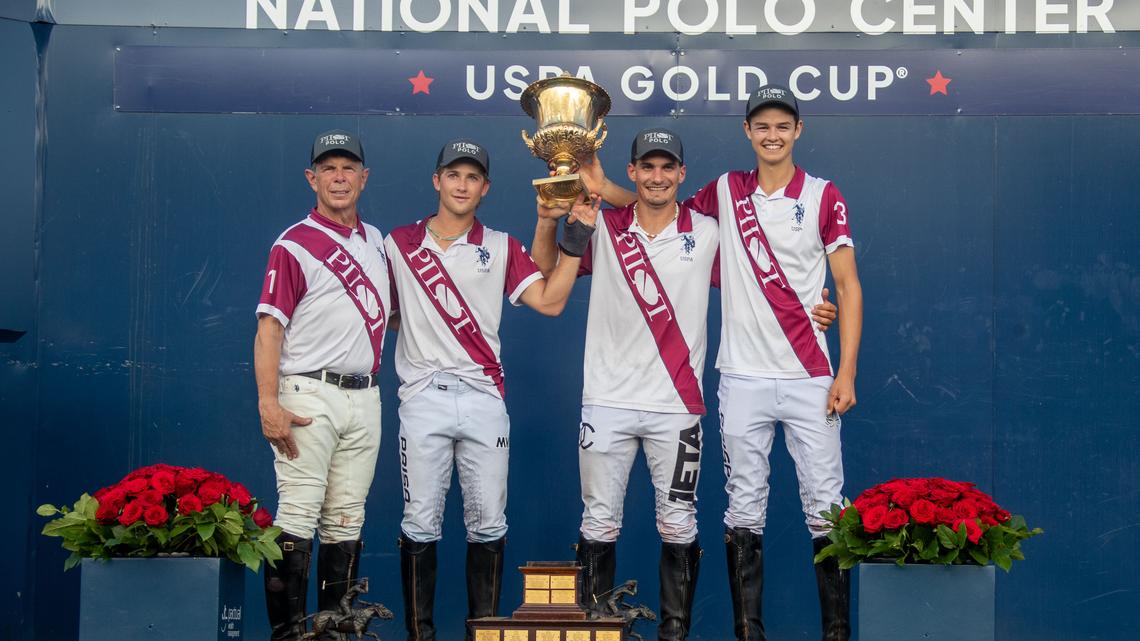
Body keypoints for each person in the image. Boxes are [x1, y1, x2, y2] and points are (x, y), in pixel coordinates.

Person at [581, 85, 862, 641]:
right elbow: (655, 206)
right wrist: (599, 184)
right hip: (742, 377)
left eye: (783, 125)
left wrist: (846, 370)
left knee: (826, 508)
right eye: (762, 125)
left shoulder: (826, 195)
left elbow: (848, 286)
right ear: (747, 132)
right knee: (743, 511)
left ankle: (836, 634)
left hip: (812, 374)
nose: (773, 134)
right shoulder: (726, 193)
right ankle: (747, 633)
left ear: (798, 131)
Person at [384, 139, 595, 641]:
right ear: (437, 181)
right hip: (423, 397)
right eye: (453, 175)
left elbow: (549, 301)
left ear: (485, 187)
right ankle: (422, 636)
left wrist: (576, 240)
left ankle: (481, 635)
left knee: (487, 523)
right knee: (418, 522)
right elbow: (384, 313)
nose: (462, 184)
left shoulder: (499, 245)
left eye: (472, 177)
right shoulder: (397, 243)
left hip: (483, 398)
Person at [531, 128, 715, 641]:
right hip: (606, 402)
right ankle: (595, 634)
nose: (657, 177)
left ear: (681, 174)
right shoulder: (603, 226)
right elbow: (544, 273)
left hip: (677, 406)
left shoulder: (707, 231)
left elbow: (761, 281)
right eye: (647, 167)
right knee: (598, 524)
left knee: (679, 525)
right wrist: (548, 220)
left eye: (667, 167)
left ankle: (674, 635)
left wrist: (818, 306)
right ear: (633, 172)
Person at [255, 130, 391, 641]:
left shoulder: (376, 241)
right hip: (309, 393)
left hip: (365, 393)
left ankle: (333, 633)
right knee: (297, 513)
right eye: (328, 168)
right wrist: (269, 400)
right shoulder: (293, 243)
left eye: (348, 168)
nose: (339, 177)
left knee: (346, 518)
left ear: (363, 178)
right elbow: (270, 327)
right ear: (312, 178)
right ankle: (288, 635)